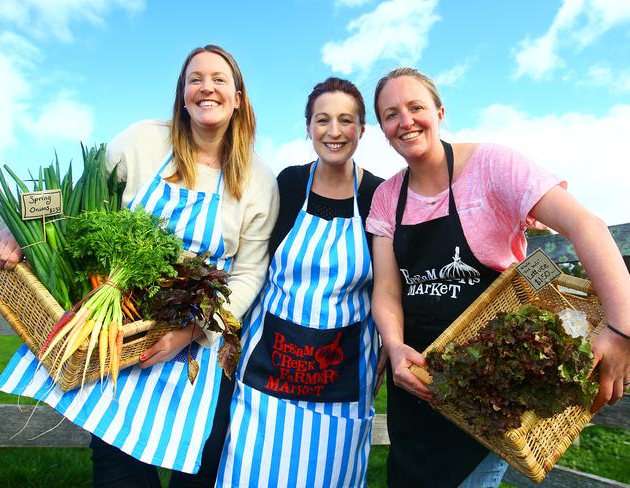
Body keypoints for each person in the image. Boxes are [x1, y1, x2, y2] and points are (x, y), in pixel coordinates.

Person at [0, 44, 279, 487]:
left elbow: (248, 274)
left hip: (198, 347)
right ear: (182, 95)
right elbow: (76, 193)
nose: (207, 87)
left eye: (220, 79)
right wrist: (23, 223)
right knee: (118, 471)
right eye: (195, 79)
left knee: (199, 469)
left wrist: (191, 332)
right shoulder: (143, 140)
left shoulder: (258, 180)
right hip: (122, 338)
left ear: (238, 97)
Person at [366, 67, 630, 488]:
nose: (406, 121)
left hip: (488, 392)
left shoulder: (492, 165)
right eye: (391, 114)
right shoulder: (386, 197)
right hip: (417, 384)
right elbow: (386, 289)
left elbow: (586, 226)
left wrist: (621, 329)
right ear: (382, 128)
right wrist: (394, 347)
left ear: (439, 111)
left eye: (416, 107)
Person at [215, 77, 383, 487]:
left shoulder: (379, 195)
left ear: (362, 129)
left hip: (341, 380)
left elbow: (386, 288)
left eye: (346, 120)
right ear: (308, 127)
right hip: (267, 370)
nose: (334, 131)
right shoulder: (289, 184)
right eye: (322, 120)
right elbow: (252, 258)